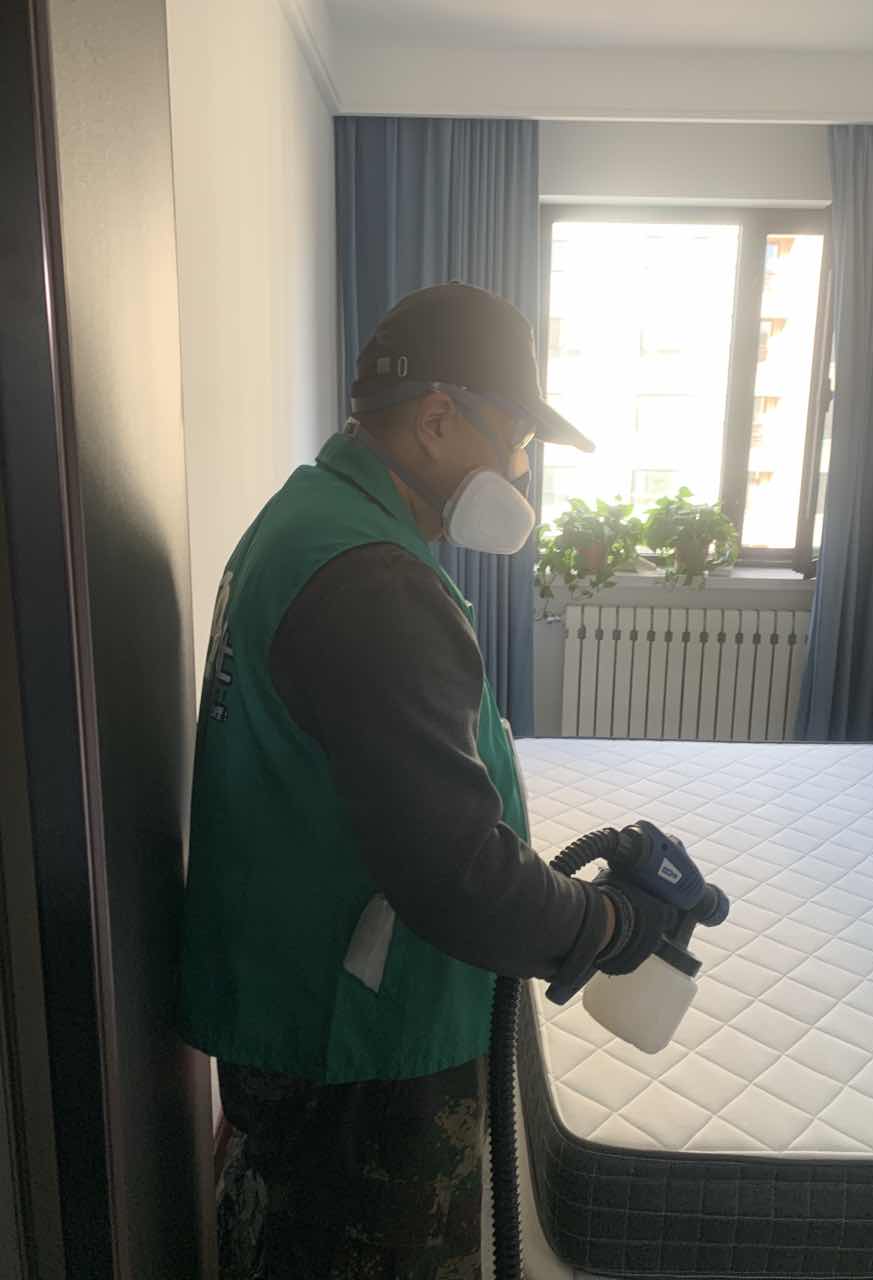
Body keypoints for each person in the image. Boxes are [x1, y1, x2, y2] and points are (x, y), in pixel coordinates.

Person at [177, 283, 677, 1279]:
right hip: (360, 1047)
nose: (521, 470)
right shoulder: (374, 581)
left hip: (305, 1006)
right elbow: (458, 877)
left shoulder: (307, 520)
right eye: (517, 438)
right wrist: (610, 924)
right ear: (438, 419)